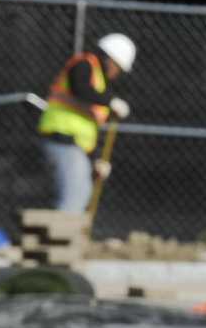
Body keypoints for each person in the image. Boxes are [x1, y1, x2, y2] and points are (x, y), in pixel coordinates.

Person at [37, 33, 135, 213]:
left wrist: (97, 160)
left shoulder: (99, 84)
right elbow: (80, 89)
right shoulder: (83, 65)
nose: (117, 73)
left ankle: (62, 235)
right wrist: (110, 100)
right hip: (62, 137)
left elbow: (89, 128)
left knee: (81, 192)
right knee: (74, 197)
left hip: (74, 146)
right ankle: (62, 236)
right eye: (118, 67)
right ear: (109, 59)